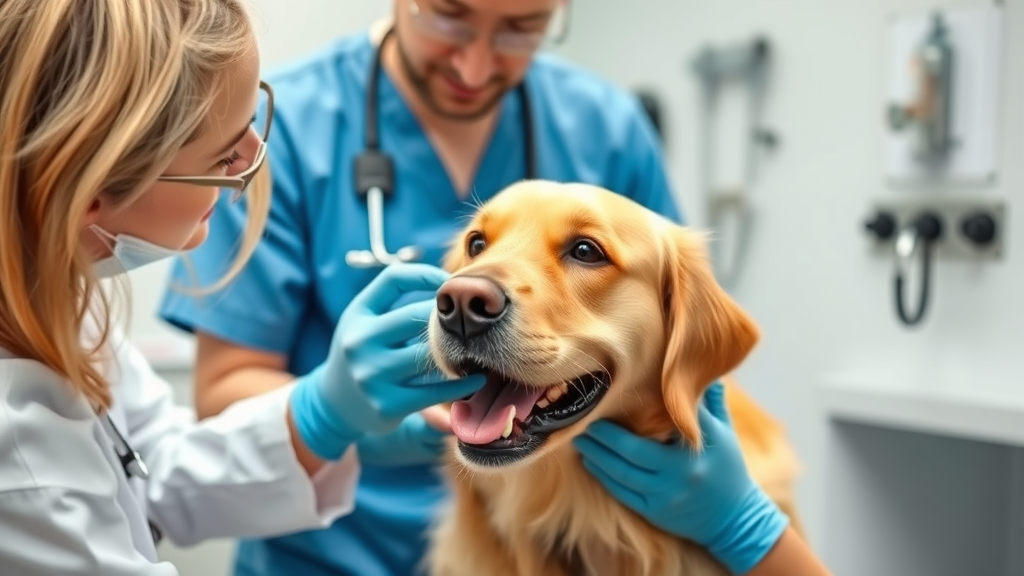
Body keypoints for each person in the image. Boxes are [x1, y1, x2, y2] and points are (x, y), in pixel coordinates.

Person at [158, 1, 832, 575]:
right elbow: (223, 394)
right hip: (327, 556)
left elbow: (669, 346)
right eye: (448, 15)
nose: (475, 66)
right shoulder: (284, 126)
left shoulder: (607, 126)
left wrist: (740, 521)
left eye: (521, 27)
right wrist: (349, 414)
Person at [0, 1, 484, 574]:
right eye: (224, 154)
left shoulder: (55, 298)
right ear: (88, 195)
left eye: (252, 120)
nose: (255, 157)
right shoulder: (18, 451)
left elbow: (157, 467)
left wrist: (323, 416)